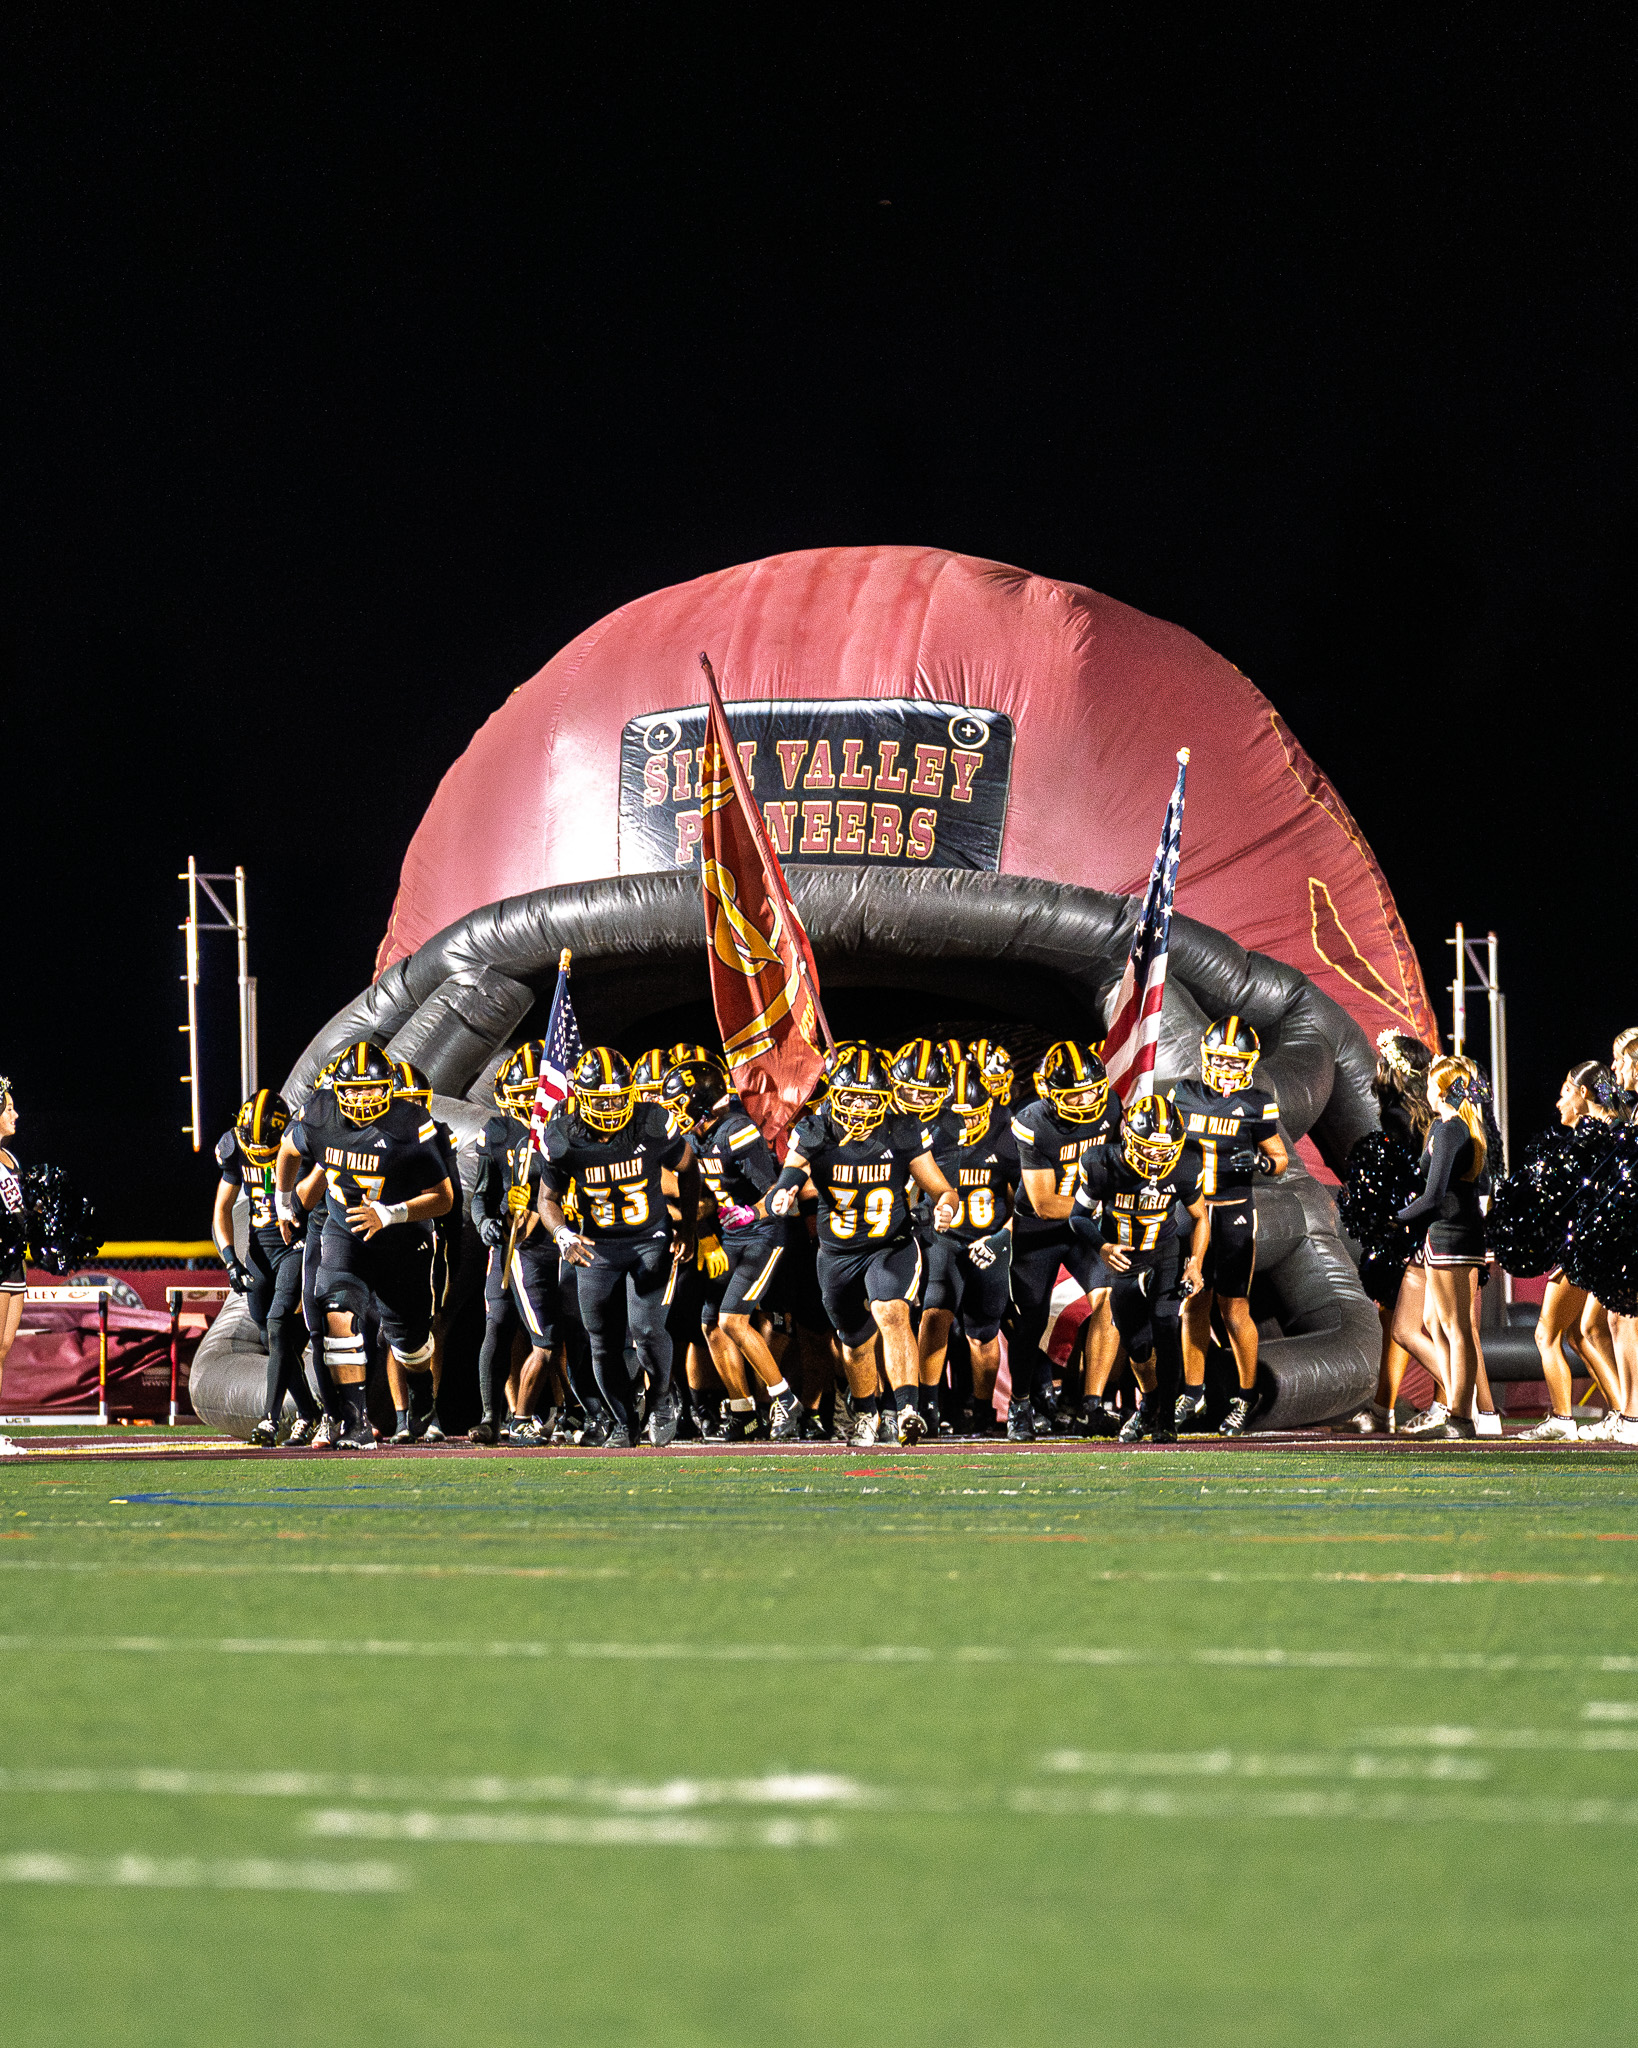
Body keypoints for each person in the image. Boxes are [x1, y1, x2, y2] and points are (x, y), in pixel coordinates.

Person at [769, 1047, 959, 1447]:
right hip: (837, 1254)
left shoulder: (901, 1129)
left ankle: (906, 1411)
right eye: (851, 1097)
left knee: (892, 1312)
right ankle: (867, 1413)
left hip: (890, 1245)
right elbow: (793, 1170)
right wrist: (784, 1191)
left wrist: (945, 1205)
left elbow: (942, 1188)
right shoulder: (817, 1129)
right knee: (854, 1343)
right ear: (835, 1095)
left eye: (868, 1098)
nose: (858, 1106)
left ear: (883, 1099)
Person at [274, 1041, 454, 1450]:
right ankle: (355, 1422)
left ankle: (421, 1389)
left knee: (410, 1344)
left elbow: (444, 1199)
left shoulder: (411, 1123)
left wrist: (390, 1214)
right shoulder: (320, 1113)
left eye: (369, 1088)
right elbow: (288, 1149)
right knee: (337, 1312)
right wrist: (283, 1204)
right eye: (351, 1089)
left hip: (403, 1241)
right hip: (345, 1231)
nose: (359, 1098)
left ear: (387, 1088)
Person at [539, 1047, 699, 1447]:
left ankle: (661, 1399)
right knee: (602, 1342)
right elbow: (546, 1200)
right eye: (601, 1100)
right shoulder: (563, 1137)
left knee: (646, 1329)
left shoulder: (651, 1123)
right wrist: (562, 1234)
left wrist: (688, 1228)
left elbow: (689, 1168)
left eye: (618, 1098)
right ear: (581, 1097)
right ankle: (624, 1422)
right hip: (598, 1246)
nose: (611, 1108)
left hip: (650, 1240)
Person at [662, 1059, 802, 1441]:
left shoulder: (736, 1130)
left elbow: (776, 1193)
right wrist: (703, 1232)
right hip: (729, 1236)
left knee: (732, 1320)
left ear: (701, 1101)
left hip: (763, 1234)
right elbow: (691, 1194)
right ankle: (744, 1412)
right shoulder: (694, 1136)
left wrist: (752, 1212)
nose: (675, 1112)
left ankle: (785, 1398)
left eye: (679, 1103)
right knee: (710, 1324)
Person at [1168, 1016, 1287, 1431]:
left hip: (1233, 1212)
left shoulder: (1257, 1103)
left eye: (1235, 1061)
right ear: (1206, 1056)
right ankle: (1192, 1392)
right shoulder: (1183, 1094)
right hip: (1191, 1212)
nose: (1226, 1067)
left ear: (1249, 1063)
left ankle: (1246, 1395)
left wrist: (1261, 1162)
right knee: (1192, 1303)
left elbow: (1281, 1159)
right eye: (1219, 1059)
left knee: (1234, 1307)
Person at [1071, 1094, 1209, 1443]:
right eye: (1149, 1147)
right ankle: (1149, 1404)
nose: (1157, 1157)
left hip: (1164, 1254)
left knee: (1166, 1329)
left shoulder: (1185, 1164)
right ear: (1129, 1138)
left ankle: (1166, 1420)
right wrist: (1102, 1247)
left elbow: (1200, 1217)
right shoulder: (1101, 1163)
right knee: (1137, 1347)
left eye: (1165, 1149)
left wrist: (1195, 1262)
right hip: (1124, 1261)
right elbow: (1078, 1217)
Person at [1005, 1041, 1119, 1442]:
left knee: (1110, 1301)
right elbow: (1044, 1203)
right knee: (1031, 1321)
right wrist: (1102, 1203)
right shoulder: (1033, 1121)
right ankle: (1020, 1403)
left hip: (1085, 1228)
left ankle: (1091, 1405)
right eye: (1073, 1095)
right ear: (1049, 1092)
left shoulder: (1111, 1107)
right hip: (1041, 1230)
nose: (1086, 1101)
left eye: (1091, 1091)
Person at [1517, 1062, 1623, 1441]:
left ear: (1583, 1094)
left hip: (1585, 1248)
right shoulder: (1608, 1131)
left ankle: (1567, 1418)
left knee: (1547, 1334)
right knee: (1583, 1333)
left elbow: (1583, 1201)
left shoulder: (1593, 1136)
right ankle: (1624, 1415)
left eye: (1565, 1091)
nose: (1558, 1100)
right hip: (1594, 1247)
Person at [212, 1088, 320, 1446]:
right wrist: (230, 1259)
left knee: (277, 1326)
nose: (259, 1155)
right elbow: (222, 1207)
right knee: (270, 1336)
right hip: (260, 1250)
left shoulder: (301, 1144)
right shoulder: (234, 1147)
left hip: (296, 1245)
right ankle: (309, 1412)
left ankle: (270, 1420)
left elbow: (312, 1197)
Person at [916, 1061, 1020, 1430]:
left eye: (973, 1114)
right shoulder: (929, 1132)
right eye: (958, 1114)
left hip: (987, 1241)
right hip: (943, 1239)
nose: (966, 1123)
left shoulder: (1005, 1136)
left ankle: (983, 1410)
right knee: (934, 1315)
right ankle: (926, 1407)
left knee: (983, 1332)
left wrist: (1001, 1239)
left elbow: (1022, 1203)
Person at [1392, 1054, 1491, 1440]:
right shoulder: (1444, 1127)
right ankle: (1458, 1408)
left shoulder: (1453, 1130)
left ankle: (1463, 1417)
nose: (1427, 1090)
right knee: (1435, 1323)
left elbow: (1433, 1196)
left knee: (1455, 1326)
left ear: (1445, 1089)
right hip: (1444, 1231)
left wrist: (1396, 1218)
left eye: (1433, 1083)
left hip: (1453, 1232)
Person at [469, 1043, 560, 1445]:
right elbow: (481, 1194)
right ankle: (493, 1415)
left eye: (535, 1093)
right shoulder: (499, 1131)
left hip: (555, 1240)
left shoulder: (565, 1126)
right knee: (498, 1324)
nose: (530, 1103)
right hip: (511, 1241)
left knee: (559, 1332)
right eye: (522, 1094)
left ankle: (566, 1411)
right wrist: (484, 1222)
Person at [0, 1079, 27, 1407]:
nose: (15, 1115)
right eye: (8, 1109)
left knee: (4, 1347)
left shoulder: (9, 1157)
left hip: (14, 1260)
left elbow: (19, 1210)